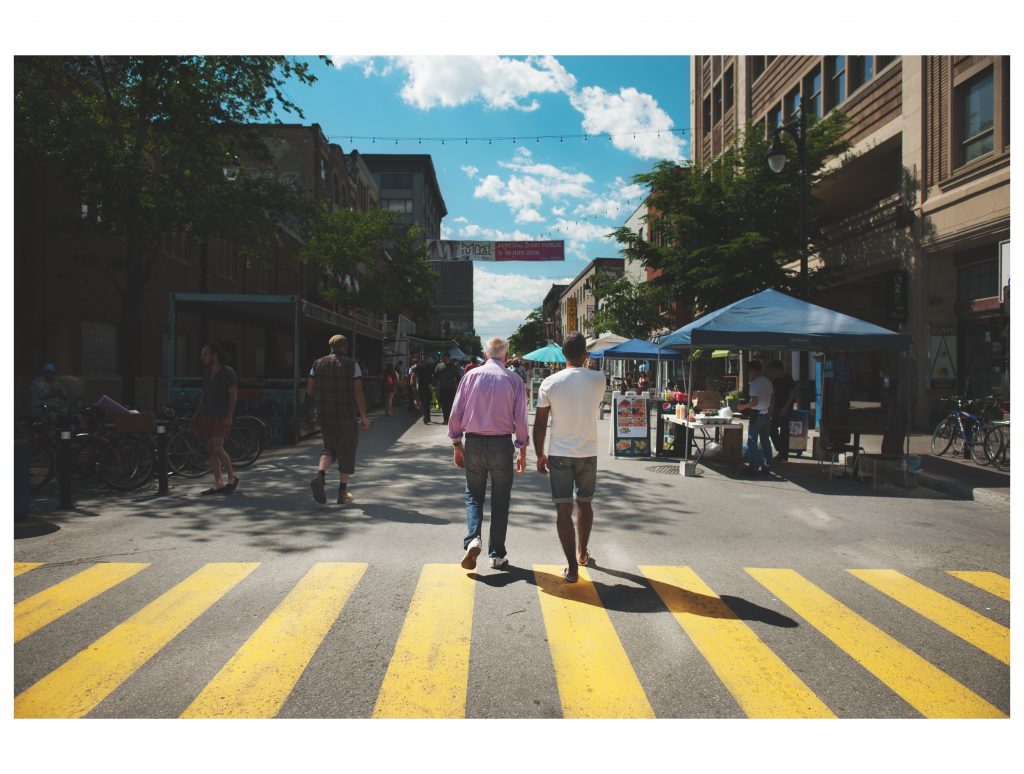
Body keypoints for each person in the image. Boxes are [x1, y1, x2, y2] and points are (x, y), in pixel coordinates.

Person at [448, 336, 529, 571]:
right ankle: (497, 554)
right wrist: (522, 450)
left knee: (474, 494)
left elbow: (455, 413)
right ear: (506, 355)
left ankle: (473, 538)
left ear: (485, 355)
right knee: (500, 499)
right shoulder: (513, 380)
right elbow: (521, 421)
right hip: (502, 444)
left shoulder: (470, 377)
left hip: (473, 443)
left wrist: (456, 443)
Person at [533, 332, 607, 584]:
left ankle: (572, 568)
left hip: (559, 452)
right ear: (586, 354)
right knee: (585, 503)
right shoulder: (599, 379)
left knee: (563, 509)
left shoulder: (550, 383)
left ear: (562, 354)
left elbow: (540, 423)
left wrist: (539, 453)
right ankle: (583, 552)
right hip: (588, 451)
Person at [306, 334, 370, 505]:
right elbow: (358, 391)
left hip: (325, 416)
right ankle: (342, 492)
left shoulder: (317, 364)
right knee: (347, 451)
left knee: (329, 449)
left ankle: (320, 475)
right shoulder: (352, 365)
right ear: (345, 347)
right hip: (346, 416)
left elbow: (310, 389)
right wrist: (363, 416)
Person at [192, 343, 239, 495]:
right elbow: (204, 394)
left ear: (214, 355)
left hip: (221, 414)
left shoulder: (227, 372)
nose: (202, 357)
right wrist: (197, 413)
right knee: (211, 449)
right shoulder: (206, 373)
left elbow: (233, 395)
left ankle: (232, 476)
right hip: (207, 413)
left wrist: (230, 415)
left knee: (218, 447)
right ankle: (218, 482)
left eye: (205, 354)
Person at [737, 360, 773, 476]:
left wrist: (743, 406)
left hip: (757, 414)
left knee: (752, 441)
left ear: (752, 371)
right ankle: (768, 466)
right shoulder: (768, 382)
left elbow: (754, 402)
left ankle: (753, 466)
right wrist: (769, 413)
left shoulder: (754, 383)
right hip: (766, 414)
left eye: (750, 371)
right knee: (765, 441)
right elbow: (772, 400)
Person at [768, 360, 798, 462]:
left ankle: (783, 455)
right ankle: (781, 450)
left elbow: (792, 394)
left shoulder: (789, 379)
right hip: (777, 408)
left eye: (774, 371)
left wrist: (785, 407)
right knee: (772, 428)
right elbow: (774, 396)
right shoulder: (776, 381)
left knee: (784, 430)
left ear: (780, 369)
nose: (773, 373)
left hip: (786, 408)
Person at [434, 353, 462, 424]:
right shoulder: (439, 366)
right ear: (442, 358)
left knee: (450, 404)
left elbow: (458, 377)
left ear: (449, 358)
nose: (445, 359)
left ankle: (449, 418)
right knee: (443, 404)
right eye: (444, 358)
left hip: (451, 388)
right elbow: (435, 377)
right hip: (442, 388)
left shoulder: (453, 367)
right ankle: (445, 419)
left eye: (447, 358)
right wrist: (434, 386)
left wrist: (459, 386)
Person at [413, 355, 436, 424]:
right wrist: (414, 384)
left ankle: (427, 417)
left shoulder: (430, 366)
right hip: (421, 386)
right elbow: (414, 375)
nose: (424, 359)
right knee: (423, 403)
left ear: (427, 359)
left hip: (428, 386)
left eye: (425, 358)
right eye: (423, 358)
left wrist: (433, 385)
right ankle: (426, 417)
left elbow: (434, 375)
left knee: (427, 403)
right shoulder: (418, 366)